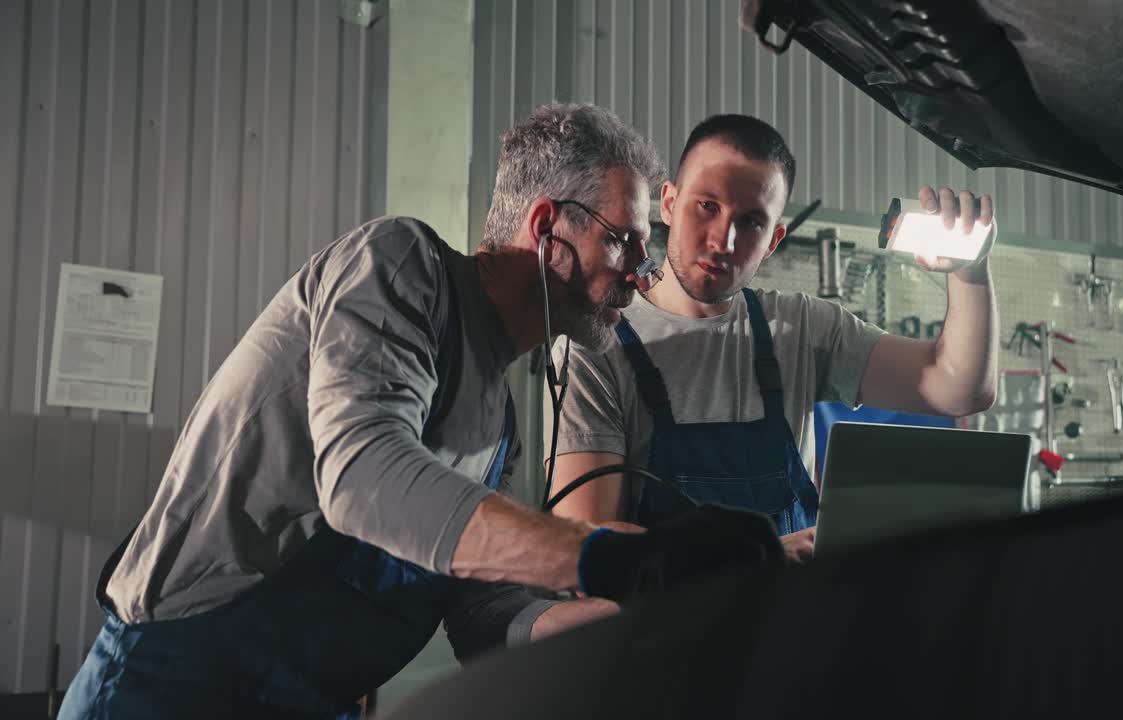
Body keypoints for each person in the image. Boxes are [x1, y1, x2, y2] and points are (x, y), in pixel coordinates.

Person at [58, 104, 783, 720]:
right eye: (623, 239)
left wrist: (612, 618)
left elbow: (482, 613)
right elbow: (364, 472)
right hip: (174, 687)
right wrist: (618, 558)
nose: (641, 270)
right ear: (547, 226)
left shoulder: (499, 421)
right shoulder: (398, 268)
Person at [544, 114, 999, 563]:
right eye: (707, 206)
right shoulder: (595, 346)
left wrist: (970, 269)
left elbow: (959, 386)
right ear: (668, 203)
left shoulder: (801, 329)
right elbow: (588, 546)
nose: (724, 240)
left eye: (752, 222)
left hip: (790, 627)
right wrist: (757, 557)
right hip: (664, 633)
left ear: (775, 239)